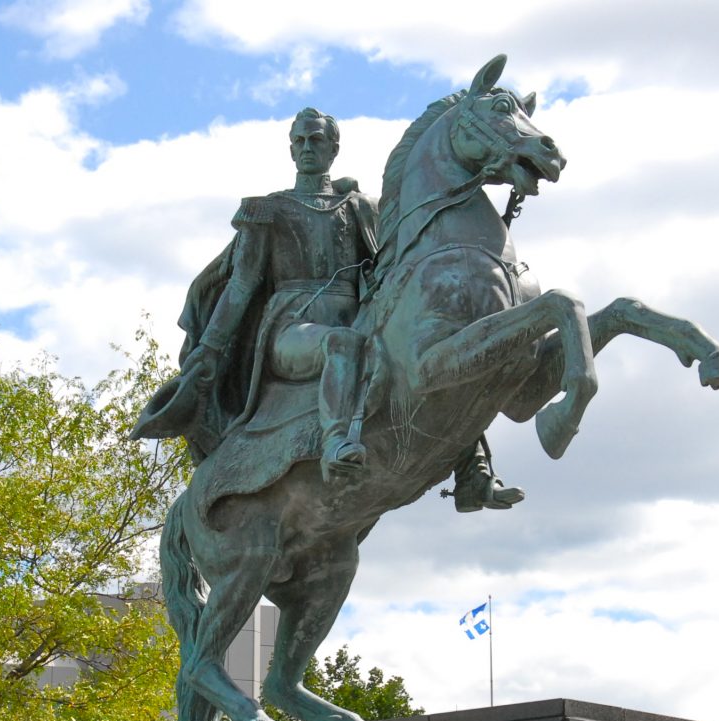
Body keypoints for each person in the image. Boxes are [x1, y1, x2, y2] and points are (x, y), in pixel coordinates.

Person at [158, 107, 522, 508]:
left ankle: (475, 473)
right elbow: (242, 285)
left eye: (315, 139)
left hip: (360, 315)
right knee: (342, 344)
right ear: (291, 150)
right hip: (292, 327)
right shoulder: (268, 211)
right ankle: (336, 444)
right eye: (299, 141)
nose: (306, 147)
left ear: (334, 148)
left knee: (435, 356)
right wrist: (209, 349)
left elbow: (401, 253)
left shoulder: (360, 207)